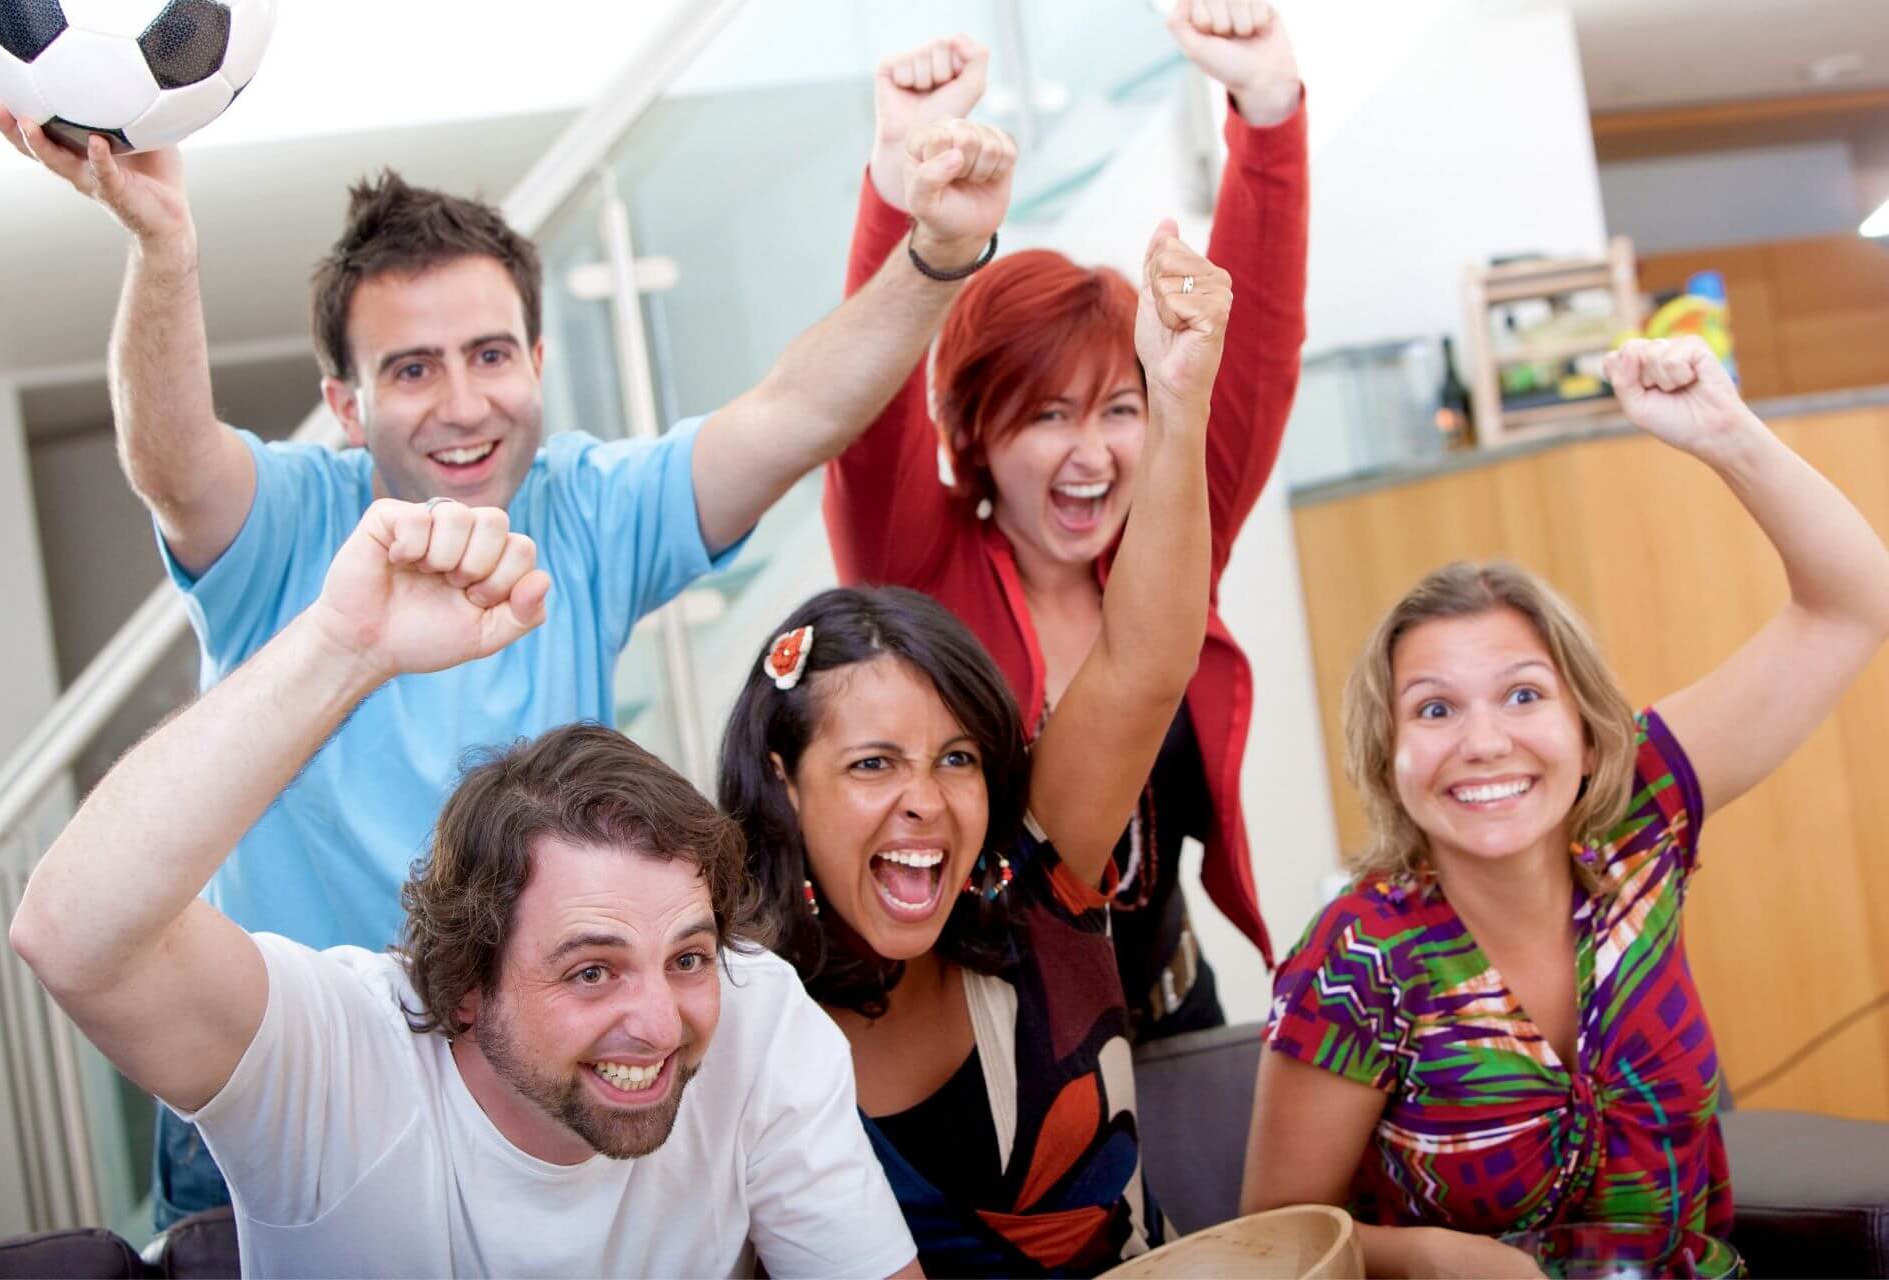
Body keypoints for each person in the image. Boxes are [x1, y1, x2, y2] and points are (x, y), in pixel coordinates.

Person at [0, 80, 1014, 1222]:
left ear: (533, 355)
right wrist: (164, 248)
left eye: (488, 354)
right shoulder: (291, 521)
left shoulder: (585, 509)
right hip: (290, 1070)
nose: (463, 403)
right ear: (345, 401)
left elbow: (793, 415)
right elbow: (173, 462)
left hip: (520, 1071)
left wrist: (937, 253)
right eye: (411, 369)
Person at [8, 497, 923, 1279]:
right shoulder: (336, 1059)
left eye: (685, 954)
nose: (661, 1019)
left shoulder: (752, 1015)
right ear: (461, 987)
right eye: (591, 972)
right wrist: (344, 646)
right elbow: (71, 932)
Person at [1239, 338, 1889, 1277]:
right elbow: (1272, 1243)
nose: (1485, 741)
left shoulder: (1641, 827)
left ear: (1588, 731)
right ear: (1390, 757)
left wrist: (1726, 434)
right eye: (1434, 708)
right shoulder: (1356, 962)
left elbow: (1853, 603)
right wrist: (1427, 1259)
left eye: (1523, 695)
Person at [718, 219, 1231, 1276]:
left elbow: (1145, 661)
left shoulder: (1035, 894)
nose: (925, 799)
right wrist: (918, 218)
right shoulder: (730, 1019)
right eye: (871, 763)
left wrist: (1178, 404)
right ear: (783, 783)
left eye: (956, 758)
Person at [823, 0, 1308, 1041]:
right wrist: (899, 189)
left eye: (1119, 410)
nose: (1092, 455)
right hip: (1002, 1052)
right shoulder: (919, 569)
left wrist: (1266, 113)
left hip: (1181, 1015)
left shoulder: (1169, 546)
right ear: (978, 432)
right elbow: (861, 417)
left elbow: (1250, 353)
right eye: (1048, 415)